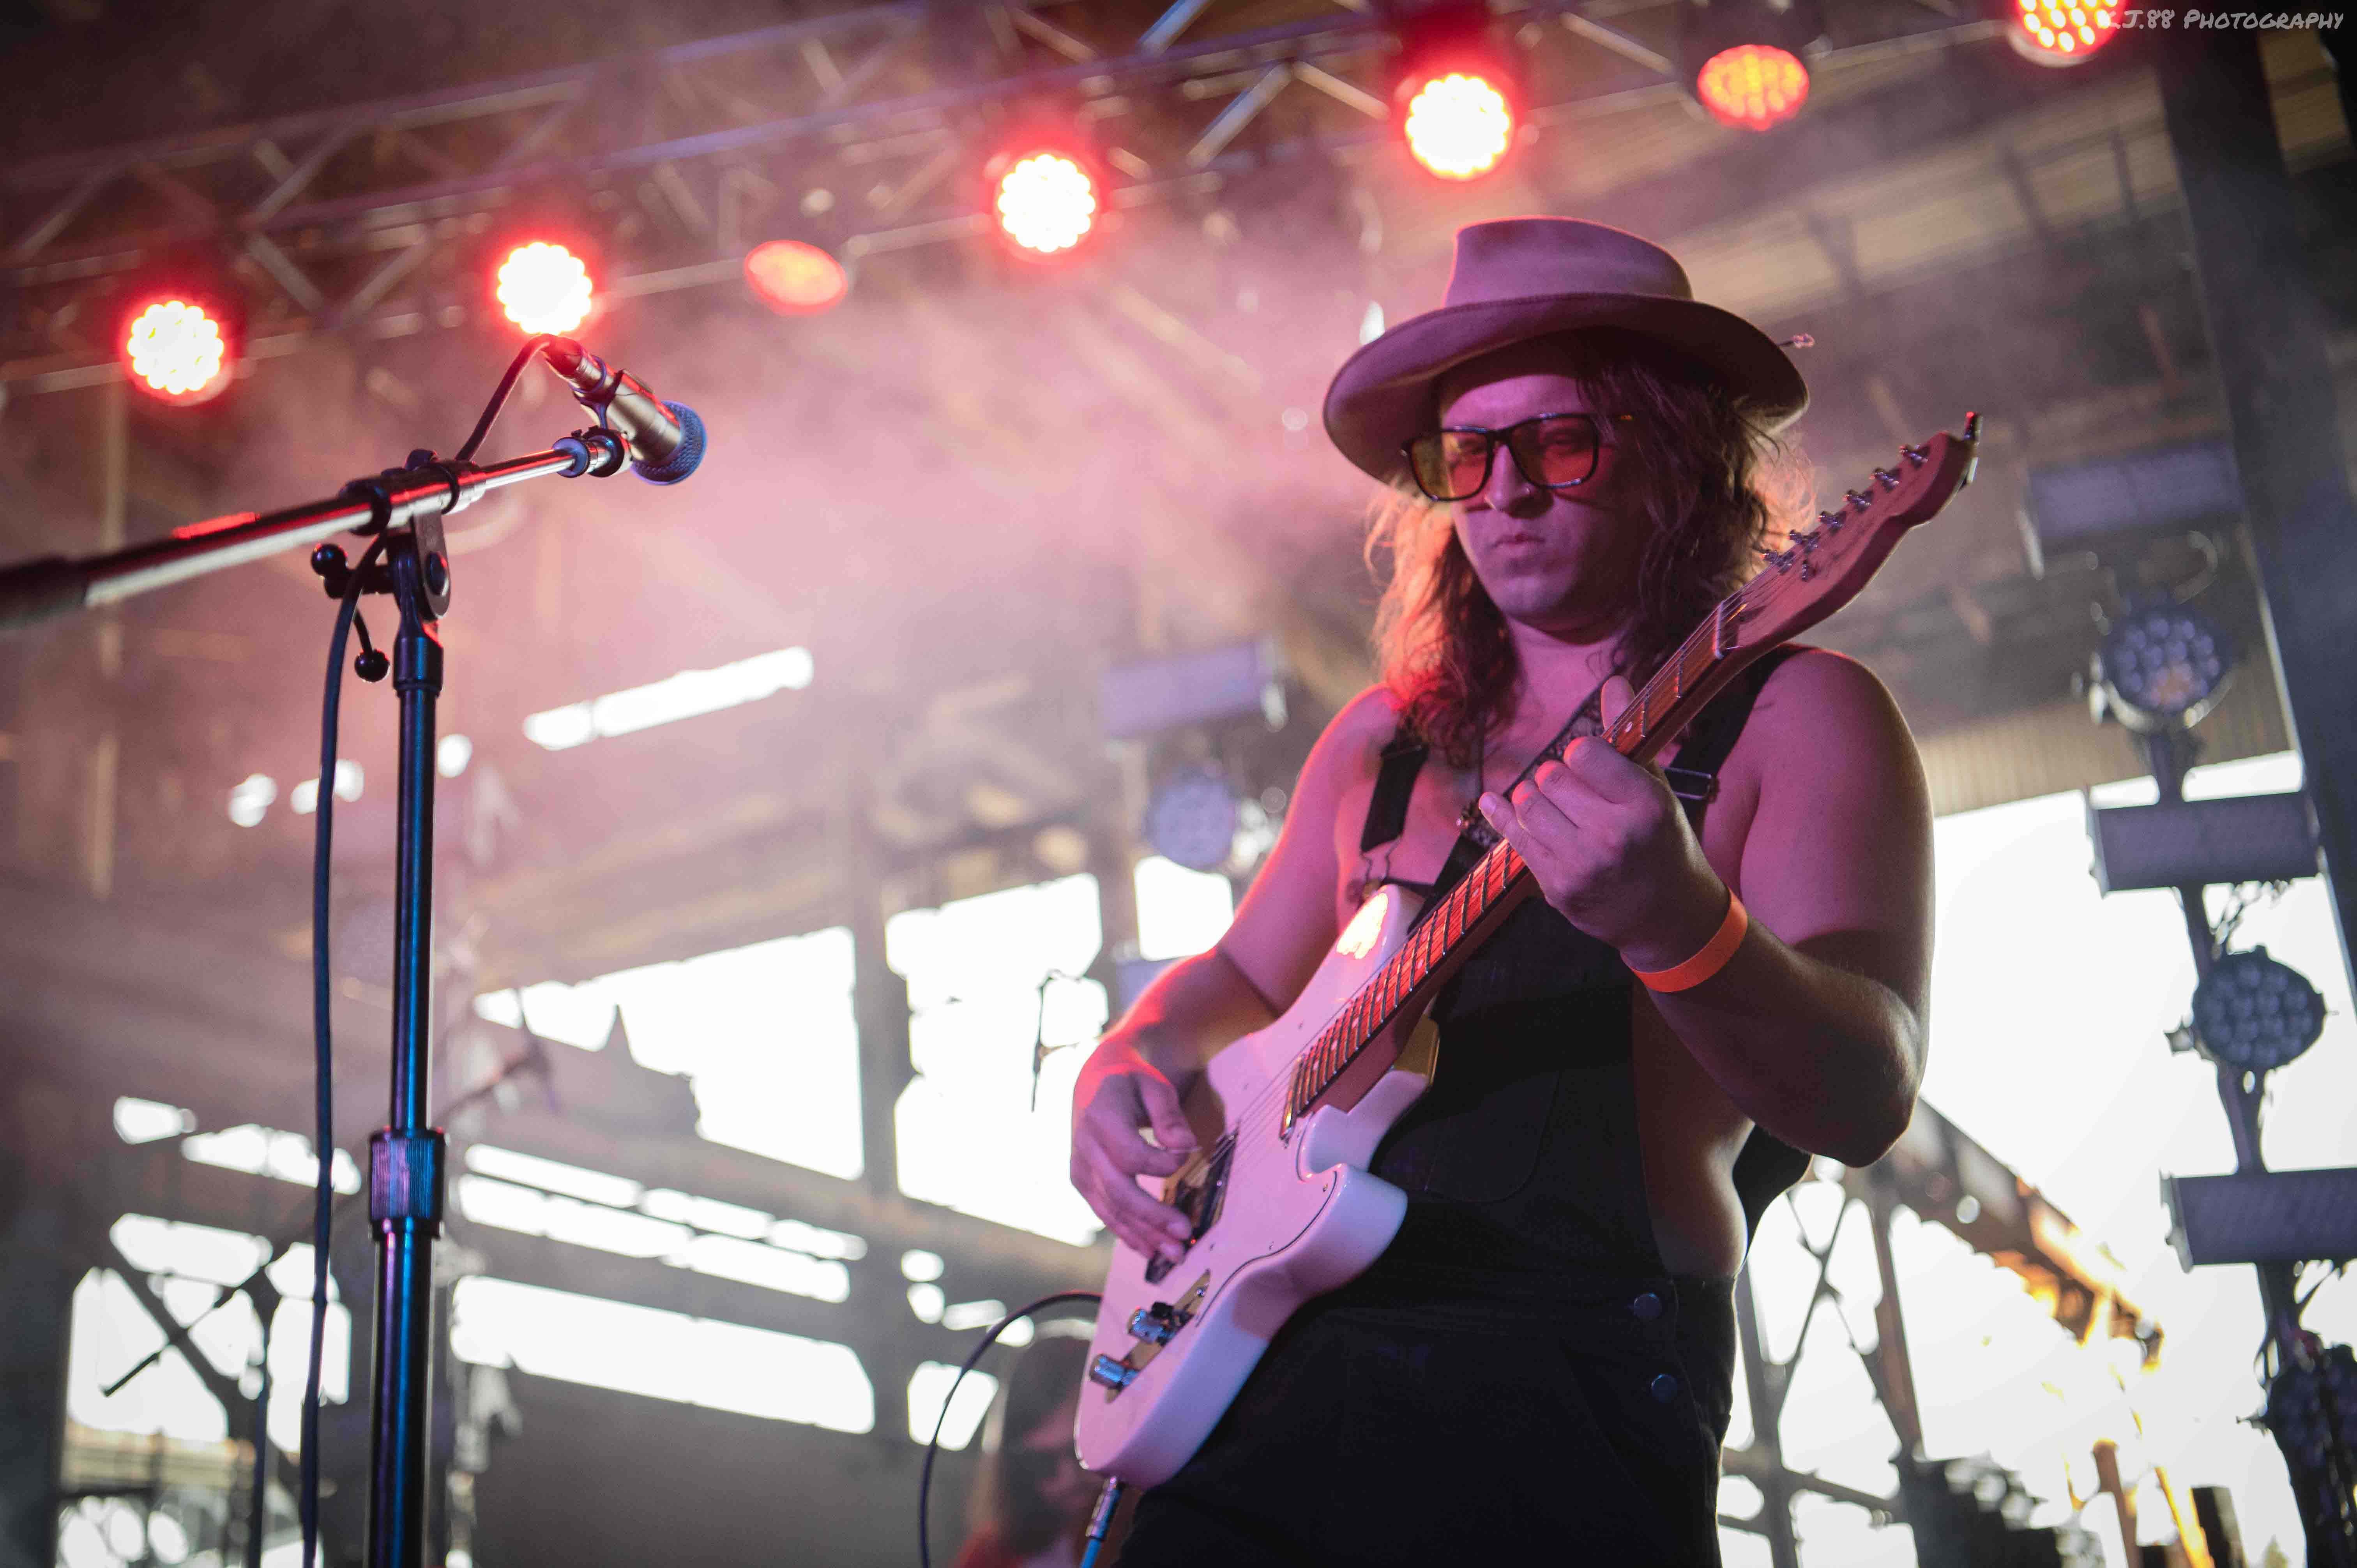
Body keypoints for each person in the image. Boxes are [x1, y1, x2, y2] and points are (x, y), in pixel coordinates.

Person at [1069, 217, 1934, 1565]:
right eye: (1465, 455)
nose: (1505, 493)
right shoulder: (1378, 741)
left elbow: (1865, 1093)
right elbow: (1239, 980)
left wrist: (1678, 923)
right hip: (1260, 1387)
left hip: (1563, 1396)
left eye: (1561, 441)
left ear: (1676, 452)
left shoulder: (1799, 713)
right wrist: (1126, 1055)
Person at [954, 1332, 1115, 1568]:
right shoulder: (989, 1555)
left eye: (1079, 1452)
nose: (1068, 1479)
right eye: (1043, 1463)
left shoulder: (1153, 1523)